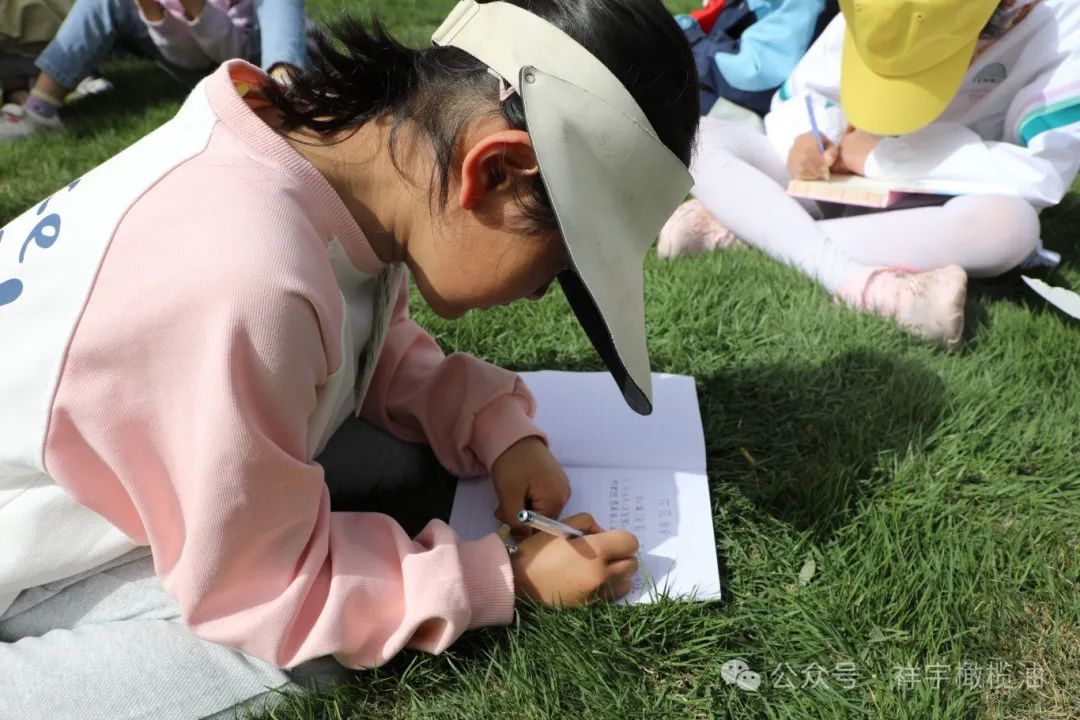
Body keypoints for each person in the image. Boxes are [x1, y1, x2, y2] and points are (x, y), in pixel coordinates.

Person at [0, 0, 699, 717]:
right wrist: (504, 578)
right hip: (28, 553)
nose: (539, 295)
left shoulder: (329, 151)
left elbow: (364, 348)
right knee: (293, 657)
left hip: (93, 479)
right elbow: (267, 593)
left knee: (390, 464)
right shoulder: (248, 279)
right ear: (493, 171)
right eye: (555, 267)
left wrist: (497, 427)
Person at [660, 0, 1080, 349]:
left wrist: (879, 157)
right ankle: (866, 282)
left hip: (939, 207)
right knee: (702, 134)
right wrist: (808, 136)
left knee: (1010, 226)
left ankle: (747, 229)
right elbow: (808, 91)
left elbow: (1039, 171)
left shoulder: (1064, 27)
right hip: (838, 178)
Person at [0, 0, 257, 142]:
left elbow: (234, 57)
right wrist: (152, 13)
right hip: (185, 57)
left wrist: (196, 8)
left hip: (237, 71)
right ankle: (39, 109)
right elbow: (185, 59)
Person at [676, 0, 838, 118]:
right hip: (708, 89)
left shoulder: (805, 5)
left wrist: (684, 36)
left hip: (740, 115)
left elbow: (748, 77)